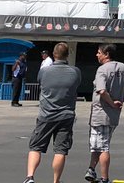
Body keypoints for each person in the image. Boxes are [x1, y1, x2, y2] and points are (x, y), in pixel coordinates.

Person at [85, 43, 124, 183]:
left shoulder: (102, 70)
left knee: (102, 146)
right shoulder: (123, 67)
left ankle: (104, 177)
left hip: (101, 114)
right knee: (98, 144)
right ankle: (91, 169)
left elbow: (101, 91)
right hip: (113, 116)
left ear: (106, 54)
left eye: (99, 52)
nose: (97, 55)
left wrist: (111, 103)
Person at [22, 42, 81, 183]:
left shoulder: (45, 71)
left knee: (35, 147)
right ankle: (56, 180)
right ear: (67, 55)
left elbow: (40, 81)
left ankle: (30, 176)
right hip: (66, 115)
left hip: (46, 114)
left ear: (54, 55)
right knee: (60, 150)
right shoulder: (75, 72)